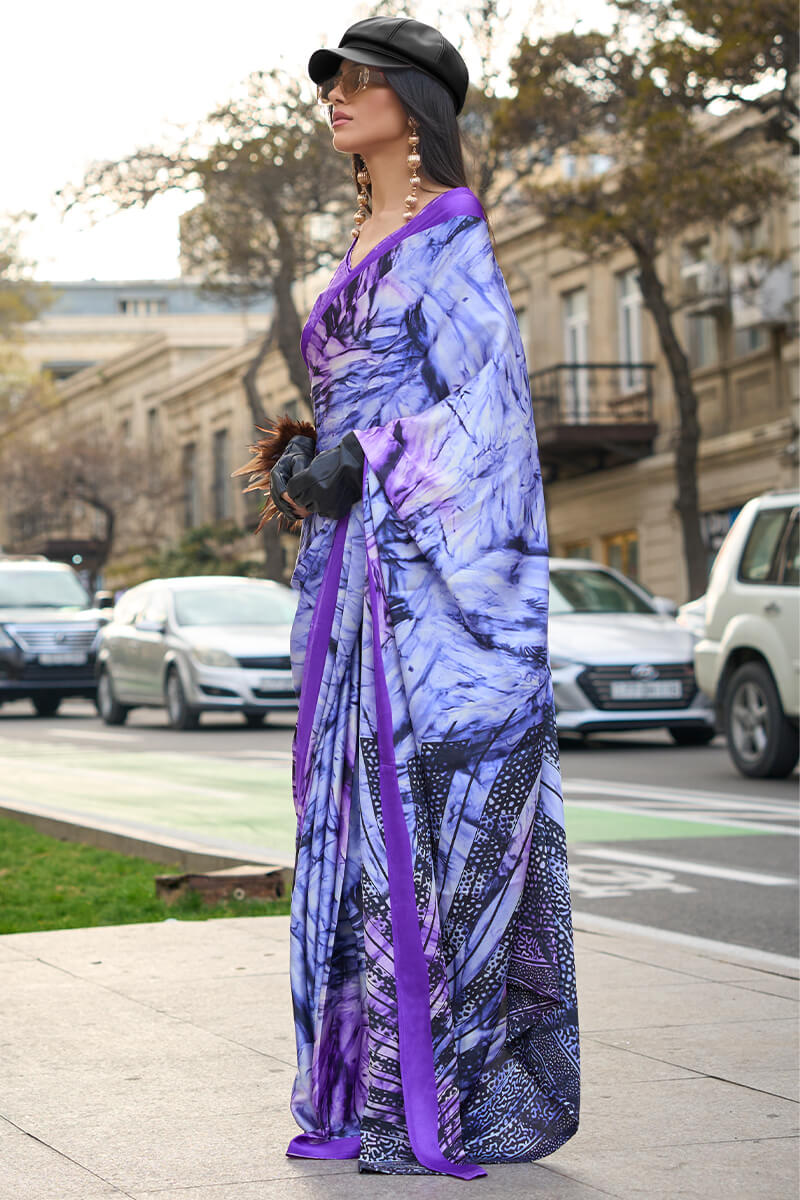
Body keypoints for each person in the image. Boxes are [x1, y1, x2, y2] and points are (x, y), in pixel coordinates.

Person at [237, 15, 580, 1179]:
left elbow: (479, 418)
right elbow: (360, 393)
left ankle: (432, 1089)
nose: (336, 95)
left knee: (417, 815)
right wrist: (305, 457)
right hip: (349, 576)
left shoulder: (451, 234)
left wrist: (369, 461)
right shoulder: (360, 234)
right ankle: (362, 1080)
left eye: (360, 81)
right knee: (344, 808)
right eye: (331, 81)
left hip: (426, 598)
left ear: (415, 105)